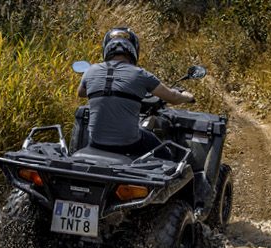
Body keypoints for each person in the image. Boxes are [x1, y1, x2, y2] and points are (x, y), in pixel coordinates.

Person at [78, 27, 196, 158]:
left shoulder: (91, 71)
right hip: (127, 143)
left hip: (95, 142)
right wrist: (187, 97)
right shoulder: (141, 75)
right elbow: (173, 97)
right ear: (133, 50)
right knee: (166, 155)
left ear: (106, 49)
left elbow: (81, 93)